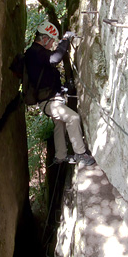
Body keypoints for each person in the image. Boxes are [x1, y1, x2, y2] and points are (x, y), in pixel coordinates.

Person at [25, 21, 96, 166]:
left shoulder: (37, 53)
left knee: (59, 124)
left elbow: (46, 77)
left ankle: (60, 156)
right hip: (48, 102)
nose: (52, 44)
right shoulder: (34, 53)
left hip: (50, 99)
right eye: (51, 41)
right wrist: (65, 40)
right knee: (73, 118)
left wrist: (63, 87)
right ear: (44, 38)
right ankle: (80, 153)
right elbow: (55, 58)